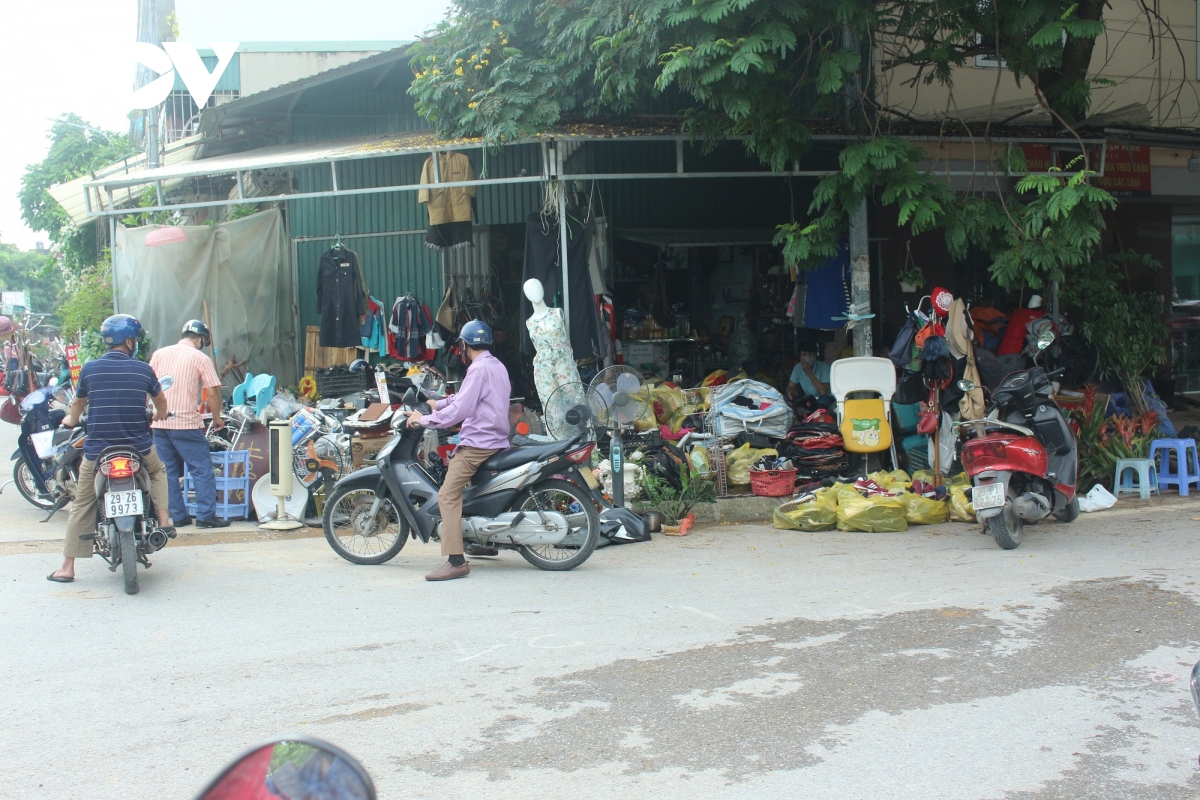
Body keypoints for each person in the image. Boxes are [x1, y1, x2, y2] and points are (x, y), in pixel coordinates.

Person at [47, 315, 173, 583]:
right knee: (159, 471)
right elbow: (160, 400)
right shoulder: (143, 369)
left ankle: (67, 567)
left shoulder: (90, 369)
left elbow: (78, 403)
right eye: (135, 339)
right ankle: (164, 521)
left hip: (98, 451)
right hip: (138, 448)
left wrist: (70, 420)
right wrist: (160, 415)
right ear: (129, 341)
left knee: (83, 502)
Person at [407, 320, 511, 581]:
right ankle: (482, 542)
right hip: (497, 439)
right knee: (477, 493)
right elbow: (464, 397)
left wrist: (425, 419)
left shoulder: (478, 370)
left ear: (464, 346)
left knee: (448, 496)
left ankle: (455, 561)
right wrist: (437, 403)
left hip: (478, 443)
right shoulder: (496, 366)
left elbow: (462, 410)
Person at [149, 320, 230, 530]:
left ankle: (178, 516)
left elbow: (147, 386)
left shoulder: (159, 354)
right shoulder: (200, 357)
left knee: (168, 471)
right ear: (202, 339)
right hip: (185, 422)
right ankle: (205, 516)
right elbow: (211, 391)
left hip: (159, 422)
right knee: (201, 468)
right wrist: (217, 417)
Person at [787, 341, 833, 410]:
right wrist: (790, 392)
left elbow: (823, 392)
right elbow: (790, 386)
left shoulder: (824, 367)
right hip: (810, 399)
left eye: (810, 354)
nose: (808, 357)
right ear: (800, 357)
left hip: (826, 399)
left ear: (815, 355)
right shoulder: (798, 367)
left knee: (822, 400)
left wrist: (809, 372)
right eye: (804, 355)